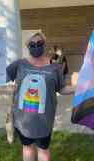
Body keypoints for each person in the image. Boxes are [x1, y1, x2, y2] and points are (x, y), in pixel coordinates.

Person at [6, 32, 74, 161]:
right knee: (27, 147)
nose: (36, 46)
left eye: (39, 43)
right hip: (23, 120)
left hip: (44, 120)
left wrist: (80, 88)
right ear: (27, 46)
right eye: (32, 44)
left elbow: (62, 88)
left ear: (44, 44)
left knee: (43, 149)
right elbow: (0, 76)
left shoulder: (55, 66)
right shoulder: (19, 64)